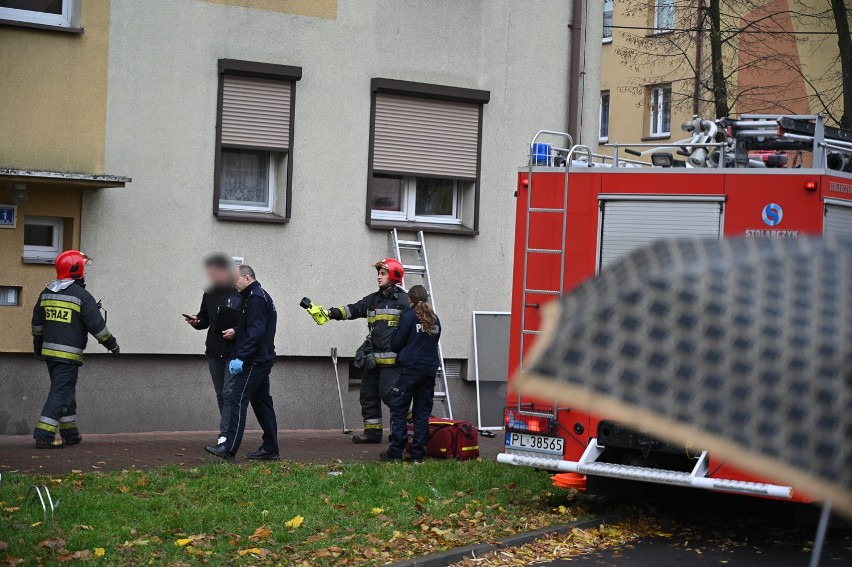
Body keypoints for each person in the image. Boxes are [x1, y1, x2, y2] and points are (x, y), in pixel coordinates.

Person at [30, 250, 120, 449]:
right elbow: (97, 327)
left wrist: (38, 349)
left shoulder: (45, 293)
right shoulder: (82, 296)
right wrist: (112, 345)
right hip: (68, 356)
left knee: (66, 392)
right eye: (84, 268)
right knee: (60, 394)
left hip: (49, 355)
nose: (85, 272)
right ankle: (43, 435)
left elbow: (37, 326)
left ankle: (70, 434)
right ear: (76, 270)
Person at [324, 259, 409, 444]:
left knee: (390, 395)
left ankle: (411, 427)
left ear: (394, 275)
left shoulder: (404, 301)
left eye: (383, 273)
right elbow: (354, 309)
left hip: (393, 363)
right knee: (368, 395)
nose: (378, 276)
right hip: (373, 360)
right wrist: (330, 313)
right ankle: (372, 433)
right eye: (378, 273)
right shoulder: (374, 299)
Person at [205, 265, 279, 461]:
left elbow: (255, 332)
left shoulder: (255, 298)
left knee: (237, 399)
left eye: (236, 279)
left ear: (247, 278)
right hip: (261, 358)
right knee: (263, 404)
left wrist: (241, 357)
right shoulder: (256, 296)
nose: (233, 282)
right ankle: (271, 448)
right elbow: (250, 329)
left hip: (256, 360)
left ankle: (229, 448)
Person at [186, 253, 242, 446]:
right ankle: (227, 430)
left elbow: (250, 321)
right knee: (220, 393)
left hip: (233, 352)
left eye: (214, 273)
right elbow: (204, 320)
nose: (211, 277)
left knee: (228, 393)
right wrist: (196, 321)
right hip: (214, 351)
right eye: (209, 273)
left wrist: (236, 331)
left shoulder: (240, 292)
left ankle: (226, 434)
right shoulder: (209, 294)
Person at [381, 285, 441, 463]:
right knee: (422, 413)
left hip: (409, 371)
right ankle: (417, 455)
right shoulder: (435, 319)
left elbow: (395, 344)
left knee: (399, 410)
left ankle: (395, 453)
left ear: (410, 300)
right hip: (429, 372)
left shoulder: (408, 317)